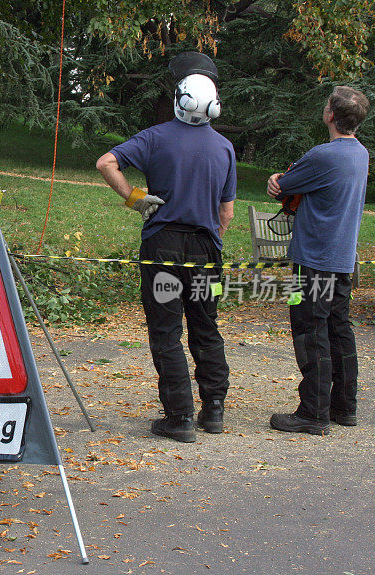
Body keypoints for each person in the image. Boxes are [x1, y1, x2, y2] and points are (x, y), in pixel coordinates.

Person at [96, 52, 236, 443]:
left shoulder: (155, 137)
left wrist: (134, 198)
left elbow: (106, 163)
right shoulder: (225, 148)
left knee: (167, 331)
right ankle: (214, 411)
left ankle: (179, 418)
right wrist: (213, 241)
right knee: (207, 328)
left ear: (179, 98)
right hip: (207, 251)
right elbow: (226, 211)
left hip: (163, 249)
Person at [267, 86, 370, 435]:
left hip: (311, 260)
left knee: (310, 332)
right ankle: (344, 406)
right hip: (342, 260)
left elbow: (284, 185)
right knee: (339, 331)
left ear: (330, 115)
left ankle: (313, 412)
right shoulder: (360, 154)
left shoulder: (323, 155)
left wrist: (275, 179)